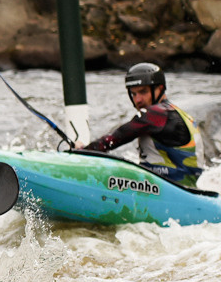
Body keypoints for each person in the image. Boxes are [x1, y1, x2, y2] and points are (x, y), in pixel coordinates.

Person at [79, 61, 205, 189]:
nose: (138, 99)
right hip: (184, 187)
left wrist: (82, 151)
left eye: (143, 92)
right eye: (133, 94)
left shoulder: (157, 114)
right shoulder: (177, 113)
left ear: (160, 89)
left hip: (168, 188)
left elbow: (115, 138)